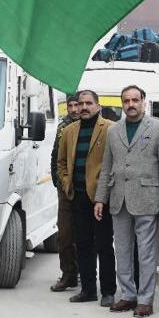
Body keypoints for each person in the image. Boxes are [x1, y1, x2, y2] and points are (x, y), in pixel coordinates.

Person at [95, 85, 159, 318]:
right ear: (122, 103)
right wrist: (101, 198)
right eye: (126, 101)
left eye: (135, 100)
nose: (131, 104)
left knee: (146, 252)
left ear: (143, 101)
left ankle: (145, 299)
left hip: (147, 199)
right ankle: (128, 295)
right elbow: (107, 166)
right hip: (118, 199)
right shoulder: (113, 131)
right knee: (121, 250)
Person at [56, 91, 115, 306]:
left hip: (101, 199)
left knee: (104, 246)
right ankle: (88, 290)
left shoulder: (109, 128)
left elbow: (115, 162)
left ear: (98, 106)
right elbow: (61, 162)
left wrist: (105, 191)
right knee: (82, 245)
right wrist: (66, 183)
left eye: (89, 103)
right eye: (80, 103)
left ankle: (108, 291)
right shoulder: (69, 131)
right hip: (77, 197)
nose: (84, 107)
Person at [50, 93, 81, 292]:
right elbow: (56, 156)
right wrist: (59, 181)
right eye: (70, 105)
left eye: (77, 105)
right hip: (66, 188)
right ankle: (68, 274)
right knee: (65, 235)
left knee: (86, 237)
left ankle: (85, 274)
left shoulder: (98, 125)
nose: (74, 109)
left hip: (87, 189)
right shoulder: (62, 128)